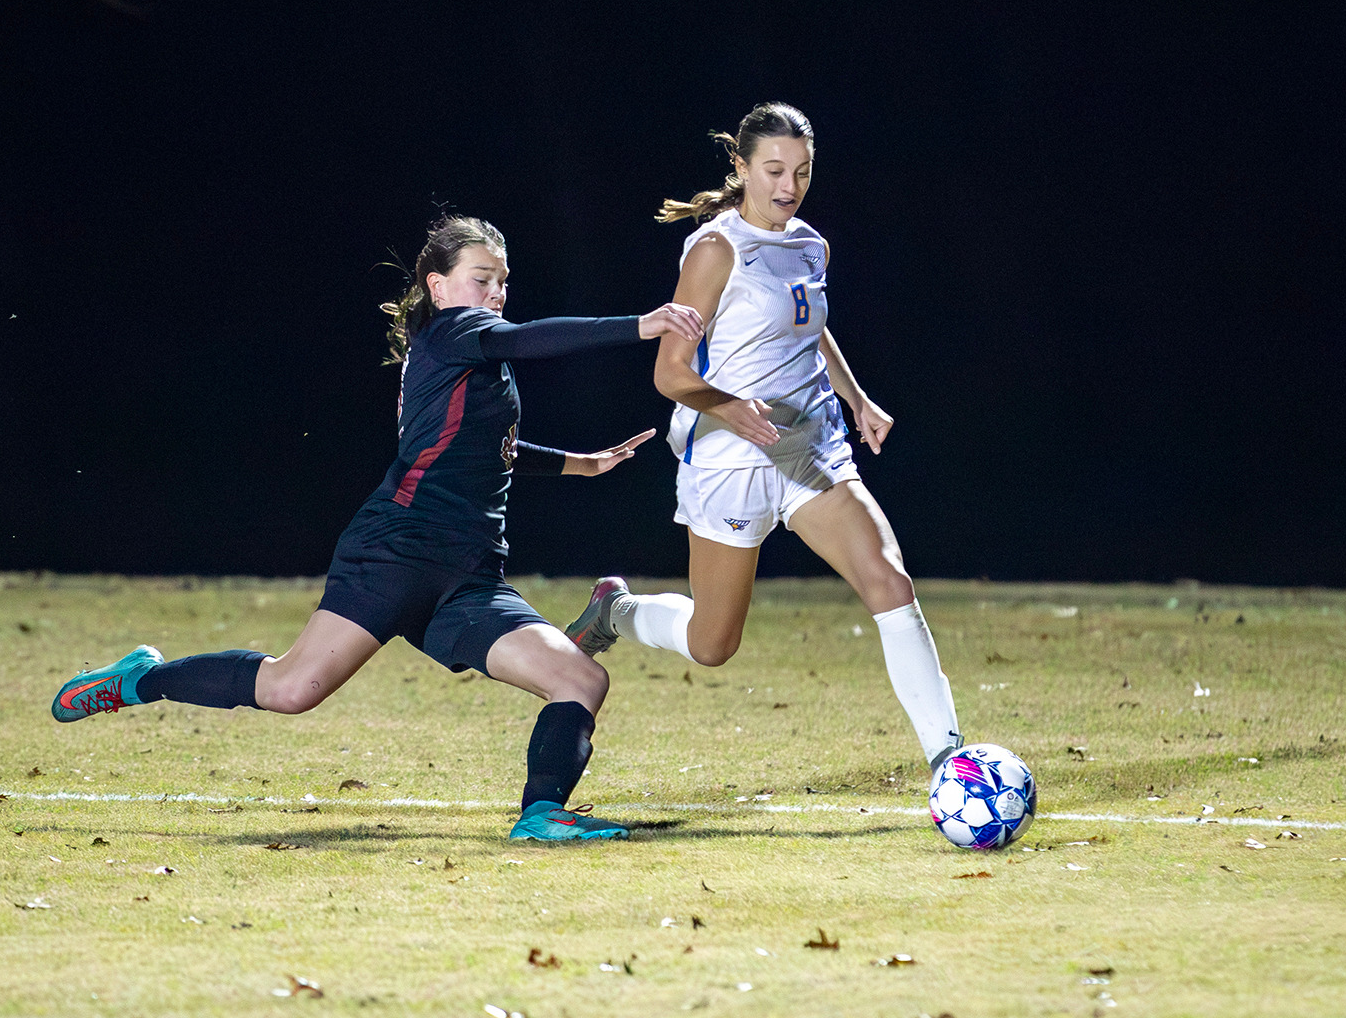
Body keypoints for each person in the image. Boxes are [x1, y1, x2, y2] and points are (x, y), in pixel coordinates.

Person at [52, 215, 704, 841]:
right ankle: (139, 679)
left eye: (502, 281)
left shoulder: (469, 355)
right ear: (439, 287)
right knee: (290, 689)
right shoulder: (452, 332)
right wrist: (640, 325)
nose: (496, 293)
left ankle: (542, 815)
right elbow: (533, 338)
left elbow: (487, 448)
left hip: (468, 575)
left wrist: (579, 464)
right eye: (481, 278)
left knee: (581, 680)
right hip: (398, 553)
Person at [564, 103, 964, 774]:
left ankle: (950, 760)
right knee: (712, 643)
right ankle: (616, 611)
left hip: (809, 448)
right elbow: (669, 373)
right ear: (741, 166)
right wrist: (729, 407)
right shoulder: (715, 250)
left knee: (890, 582)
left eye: (802, 171)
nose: (789, 186)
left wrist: (856, 397)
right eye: (774, 170)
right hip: (731, 458)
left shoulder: (810, 245)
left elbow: (808, 325)